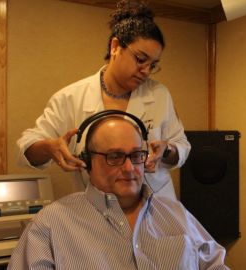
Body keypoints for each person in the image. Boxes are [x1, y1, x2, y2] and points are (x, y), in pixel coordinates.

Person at [17, 0, 191, 199]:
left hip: (154, 205)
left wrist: (166, 150)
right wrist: (49, 147)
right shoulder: (71, 98)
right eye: (141, 59)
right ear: (115, 46)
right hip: (97, 210)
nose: (146, 71)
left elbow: (182, 145)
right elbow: (26, 146)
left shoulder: (159, 94)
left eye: (153, 65)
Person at [8, 115, 229, 270]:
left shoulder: (175, 212)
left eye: (135, 155)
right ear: (87, 162)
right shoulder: (51, 225)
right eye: (114, 157)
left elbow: (215, 264)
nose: (129, 168)